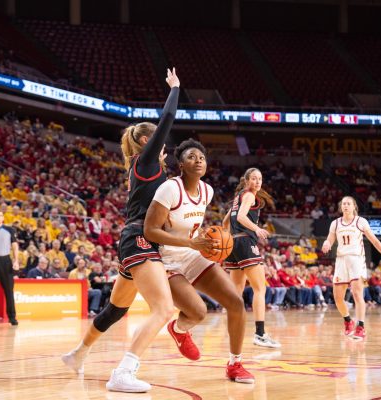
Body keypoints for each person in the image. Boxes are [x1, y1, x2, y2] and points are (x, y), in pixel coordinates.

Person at [63, 68, 183, 393]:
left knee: (116, 308)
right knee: (164, 309)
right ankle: (124, 372)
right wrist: (175, 88)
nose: (165, 146)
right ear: (147, 141)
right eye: (158, 140)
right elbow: (168, 118)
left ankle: (78, 353)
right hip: (140, 239)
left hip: (134, 239)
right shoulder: (146, 162)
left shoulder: (144, 168)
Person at [144, 139, 254, 383]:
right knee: (198, 312)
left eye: (202, 158)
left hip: (192, 254)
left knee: (236, 302)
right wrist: (189, 242)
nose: (198, 161)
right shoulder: (169, 189)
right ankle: (179, 329)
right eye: (192, 157)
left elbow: (190, 227)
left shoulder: (207, 190)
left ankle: (235, 364)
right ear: (181, 164)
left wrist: (204, 238)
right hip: (165, 260)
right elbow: (150, 230)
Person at [223, 168, 281, 348]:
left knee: (236, 292)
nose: (257, 182)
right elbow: (240, 217)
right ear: (246, 180)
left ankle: (233, 330)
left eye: (260, 179)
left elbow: (226, 222)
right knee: (259, 289)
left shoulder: (238, 197)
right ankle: (260, 334)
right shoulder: (249, 196)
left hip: (232, 244)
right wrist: (256, 229)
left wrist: (225, 239)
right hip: (246, 243)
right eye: (254, 179)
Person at [321, 196, 381, 340]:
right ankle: (348, 321)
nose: (346, 206)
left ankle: (361, 327)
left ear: (354, 207)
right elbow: (330, 238)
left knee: (356, 293)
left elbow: (374, 240)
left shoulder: (361, 222)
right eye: (343, 204)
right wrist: (327, 243)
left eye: (348, 203)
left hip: (356, 260)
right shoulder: (335, 224)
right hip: (341, 261)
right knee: (338, 298)